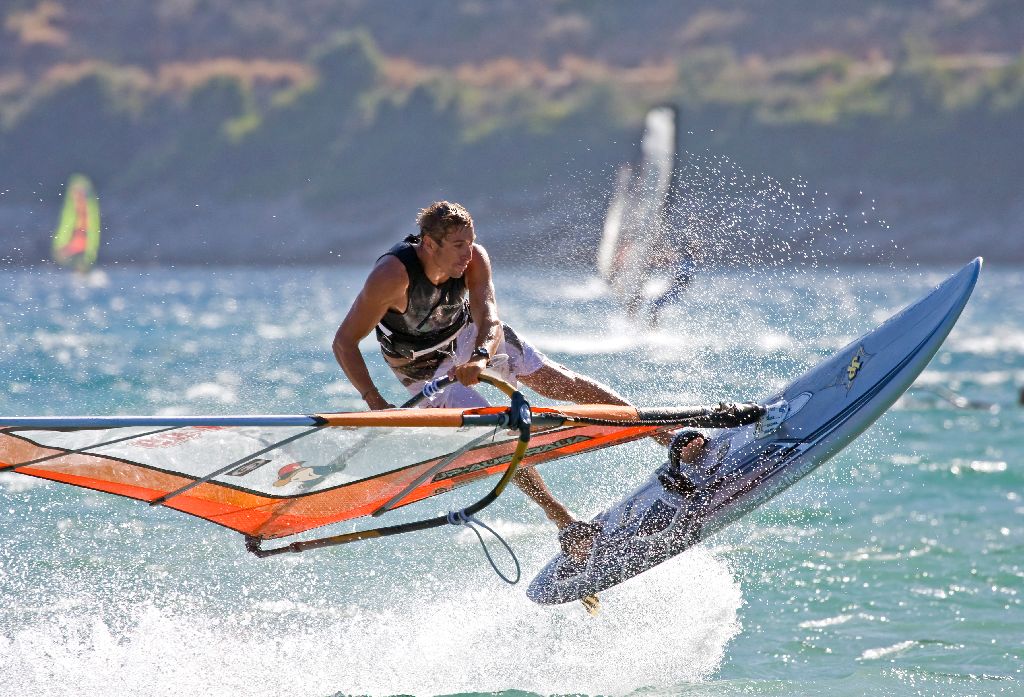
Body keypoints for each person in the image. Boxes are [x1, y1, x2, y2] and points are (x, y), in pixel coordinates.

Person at [333, 201, 640, 557]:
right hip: (422, 368)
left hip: (470, 336)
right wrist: (375, 402)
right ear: (429, 244)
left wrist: (479, 357)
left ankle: (669, 436)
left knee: (557, 381)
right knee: (492, 434)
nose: (468, 253)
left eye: (471, 242)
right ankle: (566, 522)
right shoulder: (391, 276)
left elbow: (489, 318)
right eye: (458, 245)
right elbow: (344, 342)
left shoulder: (474, 259)